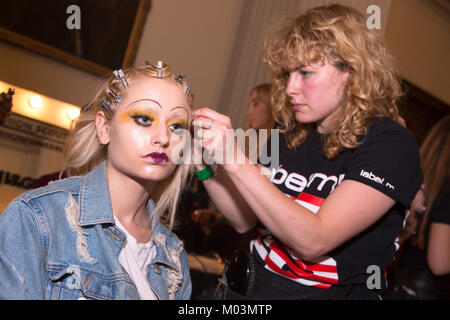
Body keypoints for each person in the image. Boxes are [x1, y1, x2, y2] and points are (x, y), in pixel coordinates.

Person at [192, 4, 423, 299]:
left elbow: (314, 239)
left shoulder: (391, 145)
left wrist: (236, 160)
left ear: (351, 72)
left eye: (305, 73)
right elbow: (243, 220)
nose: (290, 88)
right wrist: (202, 161)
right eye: (288, 74)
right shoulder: (289, 131)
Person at [0, 62, 193, 300]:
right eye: (144, 118)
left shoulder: (173, 256)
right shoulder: (37, 218)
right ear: (104, 128)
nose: (163, 138)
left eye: (176, 126)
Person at [384, 115, 450, 299]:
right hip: (423, 289)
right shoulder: (446, 192)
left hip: (397, 282)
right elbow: (439, 262)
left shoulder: (413, 181)